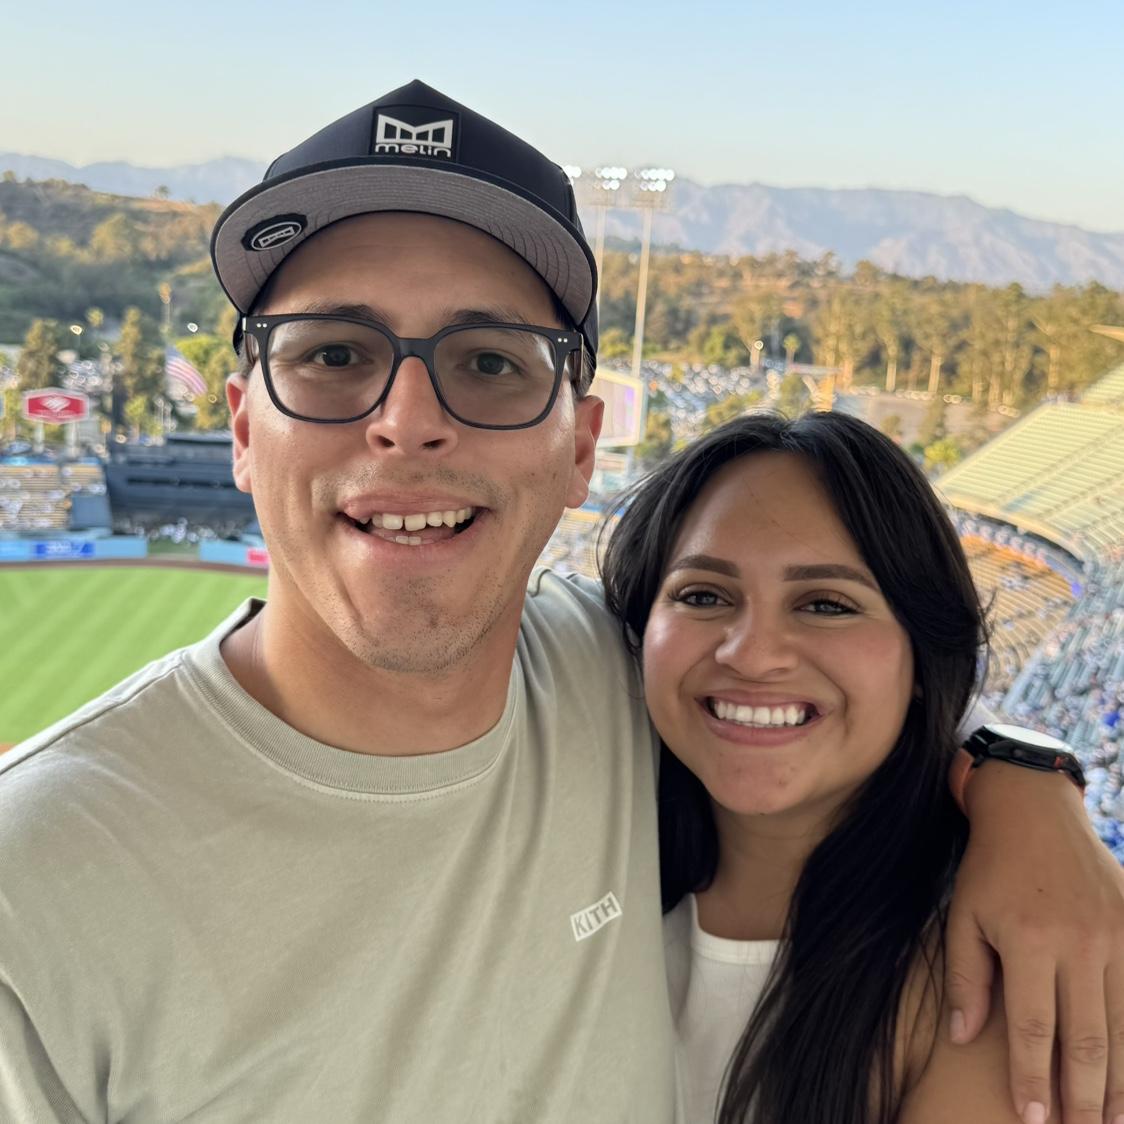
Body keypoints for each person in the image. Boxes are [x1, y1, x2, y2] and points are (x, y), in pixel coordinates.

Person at [0, 80, 1121, 1122]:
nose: (405, 419)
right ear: (244, 427)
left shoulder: (608, 672)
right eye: (334, 352)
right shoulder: (34, 883)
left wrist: (1028, 783)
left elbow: (842, 682)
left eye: (490, 362)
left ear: (580, 449)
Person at [600, 410, 1106, 1123]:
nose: (751, 652)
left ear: (924, 659)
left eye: (827, 604)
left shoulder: (984, 980)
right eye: (703, 595)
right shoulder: (582, 883)